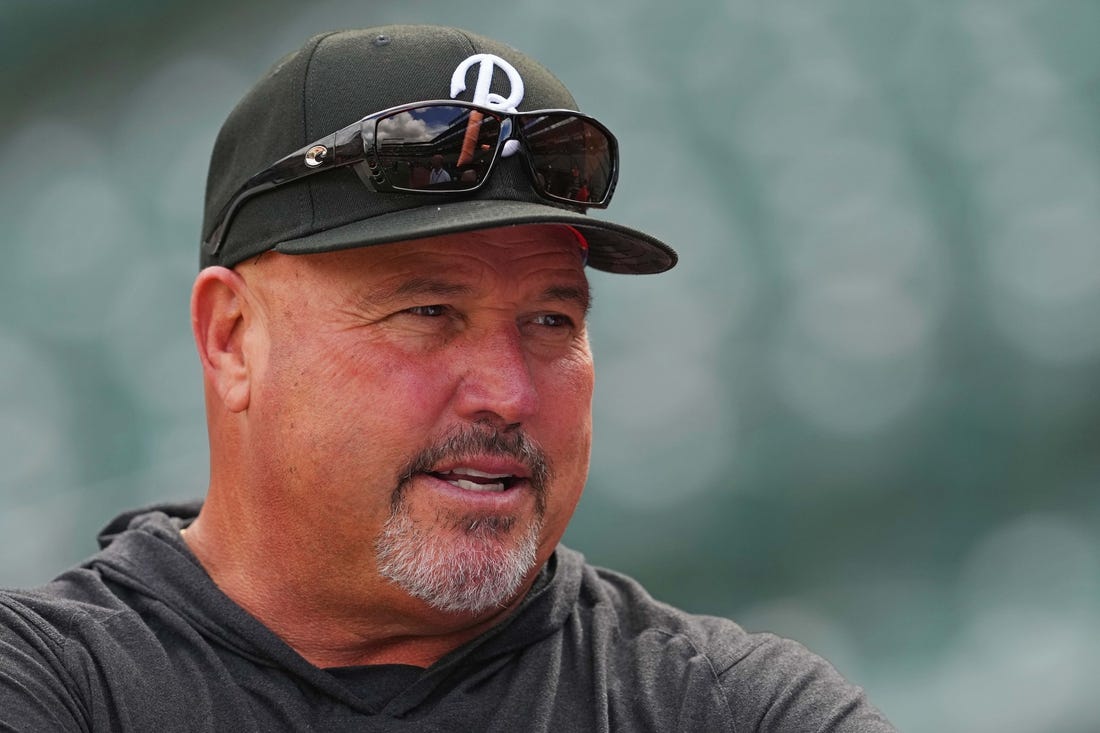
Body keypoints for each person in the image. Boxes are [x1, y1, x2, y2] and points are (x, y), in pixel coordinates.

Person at [0, 25, 897, 731]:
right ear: (233, 339)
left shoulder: (734, 709)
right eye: (428, 312)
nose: (508, 393)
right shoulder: (51, 684)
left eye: (552, 319)